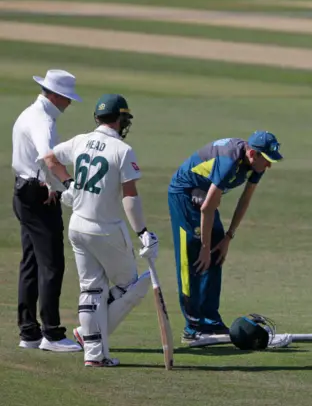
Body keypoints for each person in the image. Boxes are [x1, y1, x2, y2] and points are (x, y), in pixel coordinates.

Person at [42, 94, 159, 367]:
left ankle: (94, 354)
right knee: (132, 287)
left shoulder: (81, 140)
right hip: (106, 230)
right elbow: (129, 197)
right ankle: (89, 336)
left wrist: (68, 185)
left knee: (91, 290)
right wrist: (143, 232)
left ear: (97, 118)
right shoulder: (122, 150)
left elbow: (49, 158)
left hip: (77, 226)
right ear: (120, 120)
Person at [167, 131, 282, 347]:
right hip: (183, 194)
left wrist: (228, 237)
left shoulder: (256, 163)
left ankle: (210, 322)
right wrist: (203, 245)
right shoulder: (229, 160)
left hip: (202, 195)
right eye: (266, 160)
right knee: (193, 256)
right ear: (252, 154)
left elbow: (245, 199)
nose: (269, 166)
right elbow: (208, 207)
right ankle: (193, 328)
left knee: (216, 253)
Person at [11, 69, 83, 352]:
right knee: (52, 263)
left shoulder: (31, 113)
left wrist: (50, 182)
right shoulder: (43, 121)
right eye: (66, 98)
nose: (68, 103)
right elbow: (48, 158)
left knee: (31, 262)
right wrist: (68, 185)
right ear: (54, 95)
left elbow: (40, 162)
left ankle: (29, 332)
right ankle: (51, 334)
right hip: (37, 196)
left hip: (25, 190)